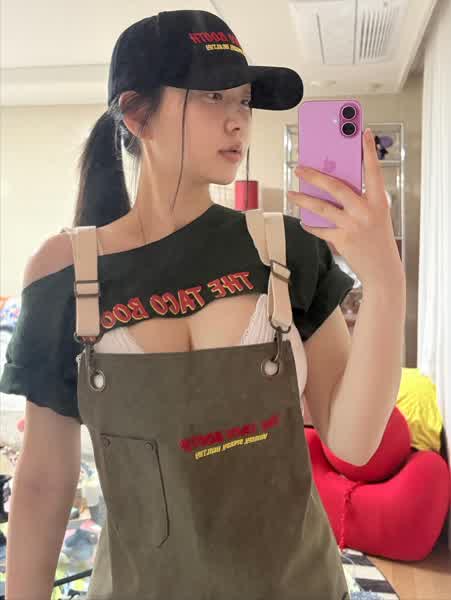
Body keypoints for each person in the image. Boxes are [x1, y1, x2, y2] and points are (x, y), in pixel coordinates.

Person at [0, 10, 357, 599]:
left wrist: (384, 277)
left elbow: (351, 441)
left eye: (244, 100)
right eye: (213, 96)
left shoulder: (286, 248)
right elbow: (42, 480)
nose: (239, 120)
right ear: (137, 114)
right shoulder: (64, 274)